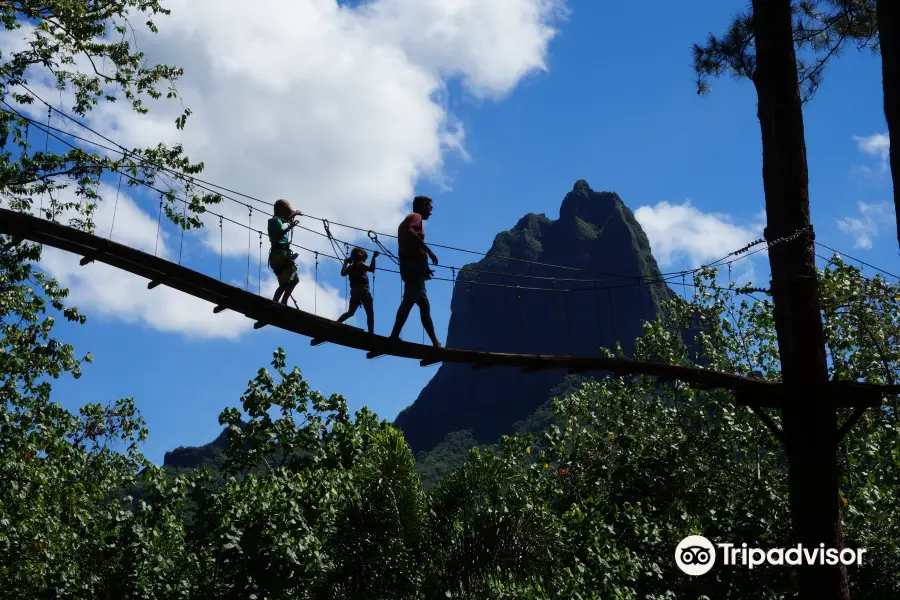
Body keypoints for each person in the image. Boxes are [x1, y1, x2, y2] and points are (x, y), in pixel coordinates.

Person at [389, 195, 441, 347]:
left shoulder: (416, 220)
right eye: (430, 207)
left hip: (415, 267)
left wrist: (425, 268)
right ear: (423, 205)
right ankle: (393, 336)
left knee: (424, 305)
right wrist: (429, 251)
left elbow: (412, 245)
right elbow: (409, 231)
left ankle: (435, 343)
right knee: (409, 301)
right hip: (413, 266)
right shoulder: (415, 217)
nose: (431, 212)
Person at [336, 247, 379, 334]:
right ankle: (371, 333)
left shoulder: (351, 267)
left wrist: (345, 263)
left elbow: (343, 273)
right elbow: (372, 269)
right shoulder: (362, 264)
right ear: (360, 256)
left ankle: (336, 323)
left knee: (350, 312)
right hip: (363, 290)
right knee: (370, 313)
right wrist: (374, 257)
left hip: (354, 292)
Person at [267, 199, 302, 305]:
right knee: (294, 279)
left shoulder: (277, 221)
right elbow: (277, 235)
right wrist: (289, 228)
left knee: (283, 283)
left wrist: (294, 214)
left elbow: (286, 219)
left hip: (277, 256)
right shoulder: (274, 221)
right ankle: (284, 301)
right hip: (279, 255)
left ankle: (275, 302)